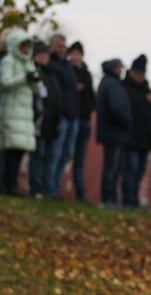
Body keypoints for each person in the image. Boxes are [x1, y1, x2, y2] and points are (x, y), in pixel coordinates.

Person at [122, 54, 151, 209]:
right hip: (131, 137)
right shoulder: (125, 88)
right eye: (138, 73)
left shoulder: (146, 89)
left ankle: (134, 200)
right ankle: (128, 199)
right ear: (132, 72)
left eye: (142, 74)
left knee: (139, 172)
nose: (140, 77)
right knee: (130, 170)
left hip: (145, 138)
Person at [0, 30, 39, 195]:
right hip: (10, 110)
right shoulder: (8, 61)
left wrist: (35, 80)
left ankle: (12, 185)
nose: (26, 49)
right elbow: (5, 82)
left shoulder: (29, 63)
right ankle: (5, 185)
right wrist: (24, 78)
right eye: (23, 46)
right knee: (9, 150)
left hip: (25, 114)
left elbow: (37, 88)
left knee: (19, 150)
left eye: (28, 46)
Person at [95, 58, 131, 206]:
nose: (122, 70)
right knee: (112, 168)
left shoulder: (109, 82)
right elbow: (117, 108)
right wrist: (127, 122)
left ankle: (111, 198)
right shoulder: (112, 84)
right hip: (114, 132)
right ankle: (109, 199)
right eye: (120, 67)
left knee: (112, 168)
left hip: (112, 132)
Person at [46, 33, 79, 197]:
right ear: (52, 46)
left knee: (66, 154)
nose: (62, 49)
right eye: (59, 46)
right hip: (60, 115)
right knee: (55, 153)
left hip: (73, 115)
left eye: (64, 47)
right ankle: (49, 187)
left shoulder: (67, 65)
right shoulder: (50, 64)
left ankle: (56, 188)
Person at [30, 41, 60, 198]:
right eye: (41, 55)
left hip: (53, 123)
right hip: (40, 122)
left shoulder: (51, 74)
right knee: (38, 156)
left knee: (50, 157)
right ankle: (35, 188)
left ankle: (47, 188)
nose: (44, 57)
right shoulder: (35, 73)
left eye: (45, 55)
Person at [67, 41, 94, 202]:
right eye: (73, 53)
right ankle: (52, 189)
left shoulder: (87, 74)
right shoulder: (67, 71)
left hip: (85, 120)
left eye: (78, 53)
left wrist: (90, 107)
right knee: (64, 155)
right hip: (71, 119)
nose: (75, 56)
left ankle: (81, 193)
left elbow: (91, 96)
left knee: (80, 160)